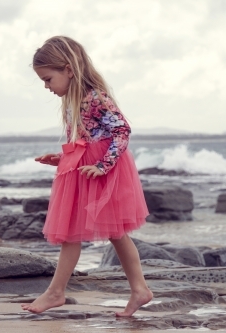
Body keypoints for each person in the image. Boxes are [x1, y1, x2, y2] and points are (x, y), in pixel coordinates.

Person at [20, 36, 153, 317]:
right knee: (99, 233)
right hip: (83, 168)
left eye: (47, 79)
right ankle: (139, 289)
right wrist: (61, 159)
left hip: (101, 171)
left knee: (110, 232)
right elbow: (87, 139)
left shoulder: (95, 97)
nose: (46, 86)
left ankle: (57, 292)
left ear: (68, 69)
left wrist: (104, 165)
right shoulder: (73, 101)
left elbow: (122, 130)